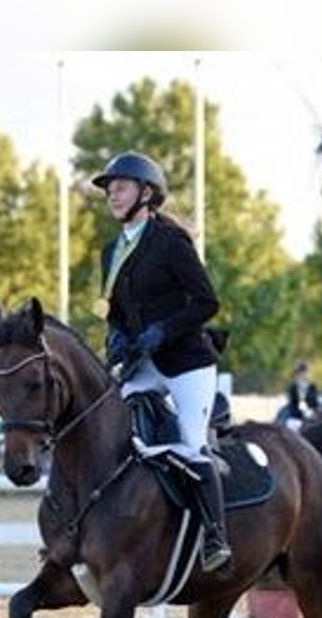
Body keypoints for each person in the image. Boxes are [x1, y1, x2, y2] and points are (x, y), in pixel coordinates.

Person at [92, 150, 231, 572]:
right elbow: (112, 308)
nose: (112, 195)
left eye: (120, 187)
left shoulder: (171, 243)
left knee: (190, 443)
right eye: (110, 189)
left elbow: (206, 302)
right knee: (111, 432)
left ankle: (215, 538)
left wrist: (162, 331)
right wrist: (116, 336)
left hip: (186, 362)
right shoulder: (111, 251)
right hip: (142, 364)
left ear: (146, 193)